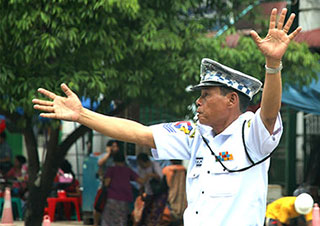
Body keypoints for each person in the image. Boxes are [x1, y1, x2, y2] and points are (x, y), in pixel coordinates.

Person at [32, 8, 302, 226]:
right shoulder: (196, 134)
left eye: (207, 94)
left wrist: (273, 65)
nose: (198, 101)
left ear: (232, 100)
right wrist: (82, 115)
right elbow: (138, 133)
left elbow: (268, 114)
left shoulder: (250, 134)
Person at [101, 150, 144, 226]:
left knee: (108, 219)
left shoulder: (111, 169)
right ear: (124, 160)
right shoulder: (128, 170)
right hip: (125, 198)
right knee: (121, 219)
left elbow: (107, 183)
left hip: (112, 197)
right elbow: (140, 181)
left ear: (114, 160)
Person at [135, 153, 167, 226]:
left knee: (156, 213)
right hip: (149, 192)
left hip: (159, 193)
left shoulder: (154, 165)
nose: (140, 165)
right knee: (146, 212)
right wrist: (141, 193)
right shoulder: (140, 169)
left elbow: (160, 177)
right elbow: (141, 183)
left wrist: (150, 175)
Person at [93, 140, 120, 226]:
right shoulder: (104, 156)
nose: (114, 149)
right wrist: (108, 153)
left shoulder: (119, 158)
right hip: (104, 184)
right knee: (99, 204)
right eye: (113, 146)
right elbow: (99, 163)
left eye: (116, 146)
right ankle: (96, 223)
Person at [160, 160, 187, 226]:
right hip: (183, 203)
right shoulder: (184, 171)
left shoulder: (166, 170)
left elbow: (162, 188)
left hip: (170, 203)